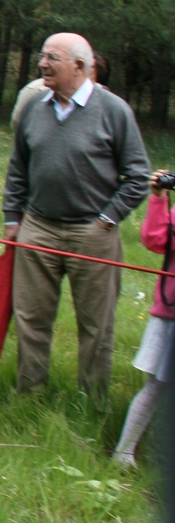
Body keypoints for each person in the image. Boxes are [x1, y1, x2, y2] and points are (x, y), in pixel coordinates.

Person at [3, 33, 150, 407]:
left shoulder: (114, 110)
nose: (42, 64)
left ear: (80, 67)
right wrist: (12, 217)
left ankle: (93, 402)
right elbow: (18, 167)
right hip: (38, 227)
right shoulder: (35, 106)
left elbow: (137, 175)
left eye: (52, 58)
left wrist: (107, 219)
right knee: (31, 318)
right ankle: (29, 395)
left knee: (96, 326)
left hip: (93, 232)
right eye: (42, 56)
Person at [113, 170, 175, 467]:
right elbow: (154, 239)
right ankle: (123, 454)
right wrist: (159, 198)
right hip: (170, 315)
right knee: (156, 386)